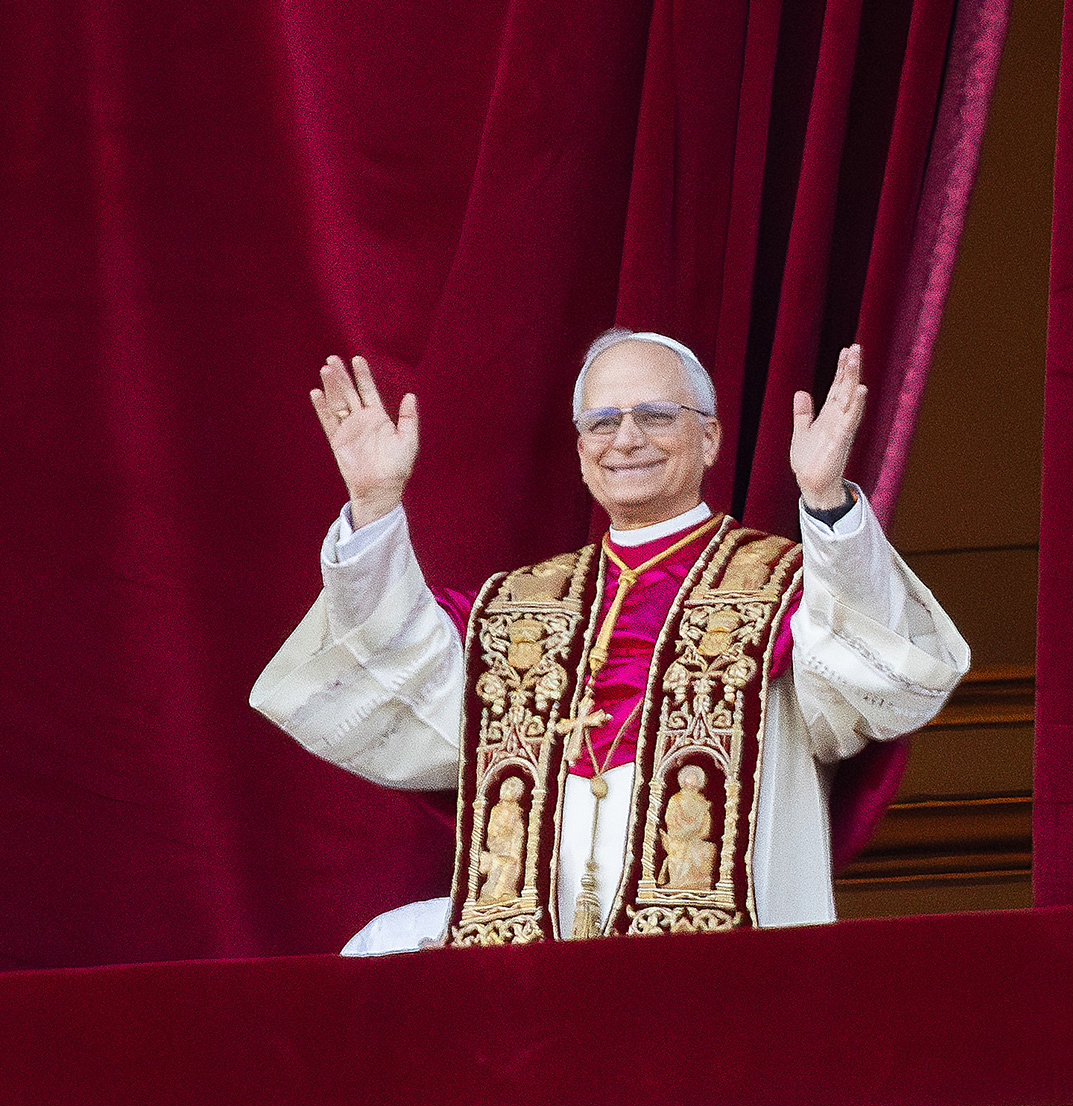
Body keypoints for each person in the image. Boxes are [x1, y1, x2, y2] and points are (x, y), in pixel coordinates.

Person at [253, 331, 969, 950]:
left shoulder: (781, 586)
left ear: (710, 437)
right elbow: (393, 658)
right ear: (579, 449)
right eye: (602, 422)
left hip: (717, 956)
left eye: (655, 415)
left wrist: (826, 501)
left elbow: (873, 670)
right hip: (538, 951)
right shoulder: (517, 606)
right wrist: (375, 505)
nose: (626, 439)